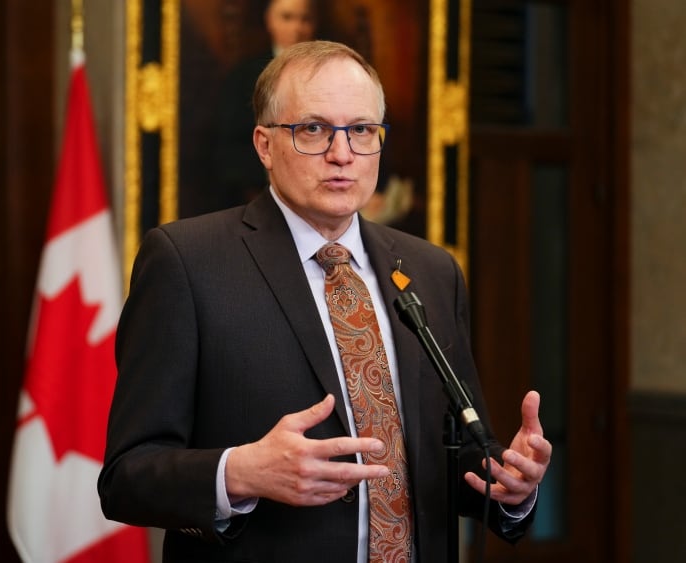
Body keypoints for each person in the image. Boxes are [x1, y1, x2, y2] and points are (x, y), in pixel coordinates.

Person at [99, 40, 551, 563]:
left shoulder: (430, 270)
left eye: (361, 130)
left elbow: (457, 459)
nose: (342, 153)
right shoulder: (187, 262)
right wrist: (241, 472)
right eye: (313, 129)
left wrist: (513, 485)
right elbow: (126, 476)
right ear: (264, 145)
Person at [211, 0, 317, 210]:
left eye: (305, 19)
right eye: (287, 17)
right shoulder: (244, 76)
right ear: (269, 21)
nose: (297, 28)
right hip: (260, 193)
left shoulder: (332, 73)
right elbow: (228, 149)